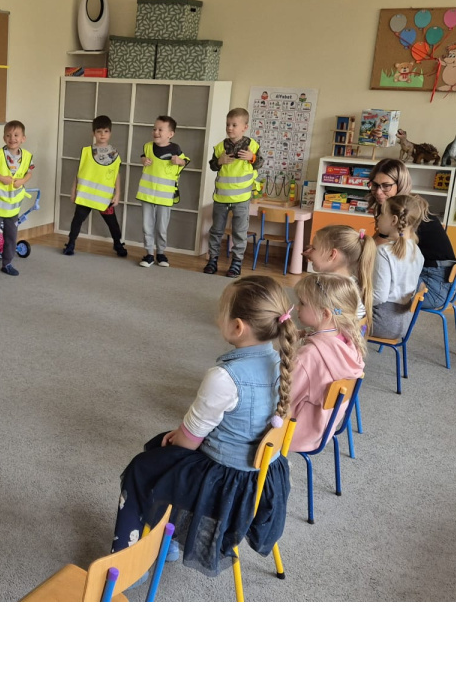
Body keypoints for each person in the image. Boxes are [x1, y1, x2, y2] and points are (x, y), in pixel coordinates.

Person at [112, 275, 296, 576]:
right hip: (263, 481)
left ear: (238, 327)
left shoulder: (224, 378)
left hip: (225, 487)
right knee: (162, 452)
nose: (216, 316)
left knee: (142, 468)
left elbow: (188, 442)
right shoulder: (283, 363)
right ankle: (169, 537)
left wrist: (177, 436)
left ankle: (127, 565)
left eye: (221, 311)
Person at [287, 272, 366, 453]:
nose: (297, 307)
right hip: (325, 427)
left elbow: (283, 399)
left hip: (295, 432)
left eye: (302, 303)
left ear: (325, 313)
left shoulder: (309, 356)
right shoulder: (349, 340)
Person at [368, 158, 456, 310]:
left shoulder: (406, 212)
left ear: (400, 184)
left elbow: (375, 248)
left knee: (372, 282)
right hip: (438, 280)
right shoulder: (405, 205)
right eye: (375, 185)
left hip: (434, 287)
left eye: (386, 186)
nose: (378, 191)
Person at [61, 115, 127, 259]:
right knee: (77, 220)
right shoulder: (86, 151)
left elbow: (116, 174)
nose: (102, 134)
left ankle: (118, 244)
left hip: (104, 197)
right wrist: (73, 190)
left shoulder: (115, 154)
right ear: (93, 133)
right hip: (85, 194)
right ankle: (70, 244)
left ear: (110, 133)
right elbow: (79, 172)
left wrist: (117, 194)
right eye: (99, 131)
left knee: (112, 223)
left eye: (106, 131)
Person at [205, 107, 259, 277]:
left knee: (239, 233)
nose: (230, 128)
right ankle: (212, 259)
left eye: (234, 125)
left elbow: (259, 163)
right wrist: (219, 161)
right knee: (216, 231)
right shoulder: (220, 147)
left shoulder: (252, 146)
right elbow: (213, 166)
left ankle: (236, 263)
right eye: (228, 124)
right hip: (221, 198)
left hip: (242, 199)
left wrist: (252, 158)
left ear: (244, 127)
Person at [136, 115, 189, 267]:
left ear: (170, 134)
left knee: (161, 227)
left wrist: (179, 161)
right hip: (147, 194)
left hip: (165, 196)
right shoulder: (147, 146)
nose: (156, 132)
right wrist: (143, 160)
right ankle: (148, 254)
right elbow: (143, 156)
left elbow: (185, 161)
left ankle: (160, 253)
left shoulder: (175, 149)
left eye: (160, 130)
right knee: (147, 226)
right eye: (154, 129)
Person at [0, 120, 35, 276]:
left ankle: (7, 263)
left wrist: (22, 181)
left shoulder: (27, 156)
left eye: (16, 135)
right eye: (8, 135)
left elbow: (29, 173)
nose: (12, 138)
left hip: (13, 206)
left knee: (11, 236)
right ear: (4, 138)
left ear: (23, 138)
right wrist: (0, 178)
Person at [371, 194, 426, 339]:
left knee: (333, 313)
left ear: (394, 220)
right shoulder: (416, 250)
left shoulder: (384, 252)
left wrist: (353, 299)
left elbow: (379, 296)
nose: (378, 217)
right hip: (404, 323)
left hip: (381, 323)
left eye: (382, 213)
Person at [302, 224, 376, 331]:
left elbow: (340, 313)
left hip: (340, 336)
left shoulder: (338, 289)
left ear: (332, 255)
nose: (309, 252)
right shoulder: (348, 282)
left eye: (313, 248)